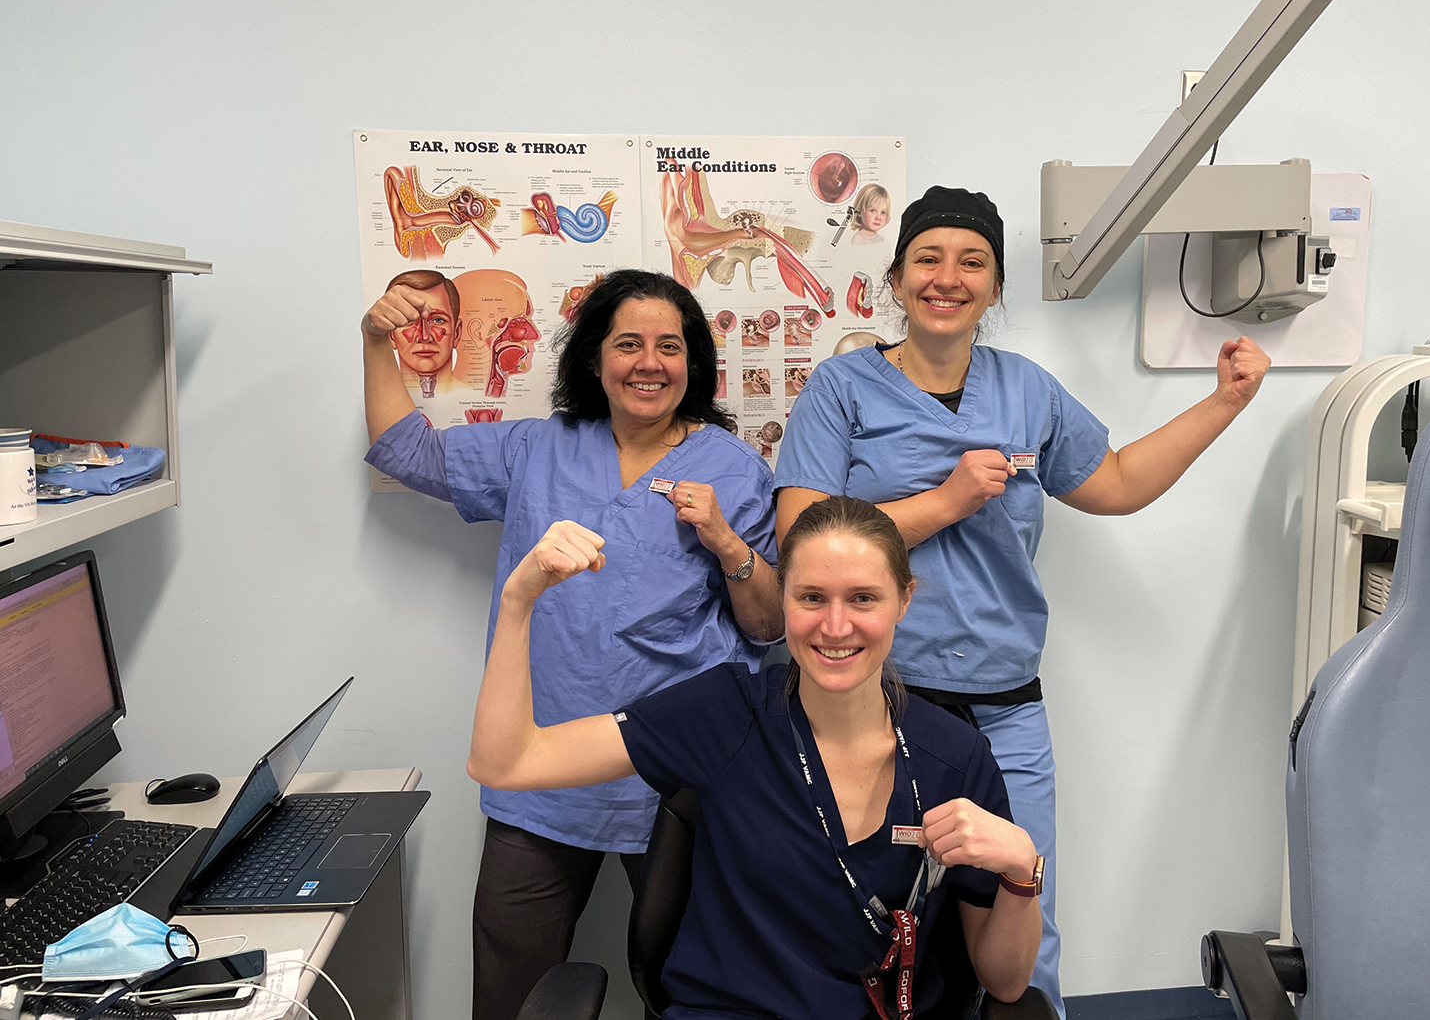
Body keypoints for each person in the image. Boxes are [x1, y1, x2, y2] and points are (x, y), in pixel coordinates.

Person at [773, 186, 1271, 1017]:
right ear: (896, 280)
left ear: (996, 288)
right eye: (928, 259)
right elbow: (803, 535)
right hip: (874, 703)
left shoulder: (1028, 390)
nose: (948, 277)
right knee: (868, 911)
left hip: (1005, 705)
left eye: (973, 262)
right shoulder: (843, 388)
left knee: (1020, 911)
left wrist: (1225, 401)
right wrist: (947, 499)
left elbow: (1113, 482)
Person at [361, 269, 783, 1020]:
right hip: (544, 767)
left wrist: (724, 540)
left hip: (682, 778)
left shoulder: (735, 468)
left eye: (669, 346)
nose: (649, 363)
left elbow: (768, 626)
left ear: (694, 364)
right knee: (510, 984)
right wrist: (375, 342)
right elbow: (406, 453)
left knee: (701, 984)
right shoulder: (537, 449)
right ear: (595, 359)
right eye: (628, 344)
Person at [469, 496, 1045, 1017]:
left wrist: (1023, 873)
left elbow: (1007, 983)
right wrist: (519, 599)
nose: (836, 626)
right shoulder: (725, 713)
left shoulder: (954, 756)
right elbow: (507, 762)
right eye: (811, 598)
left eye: (863, 598)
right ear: (784, 599)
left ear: (904, 599)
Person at [382, 269, 467, 398]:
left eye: (437, 320)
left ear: (457, 333)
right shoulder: (380, 403)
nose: (424, 337)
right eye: (410, 320)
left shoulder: (479, 397)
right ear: (391, 335)